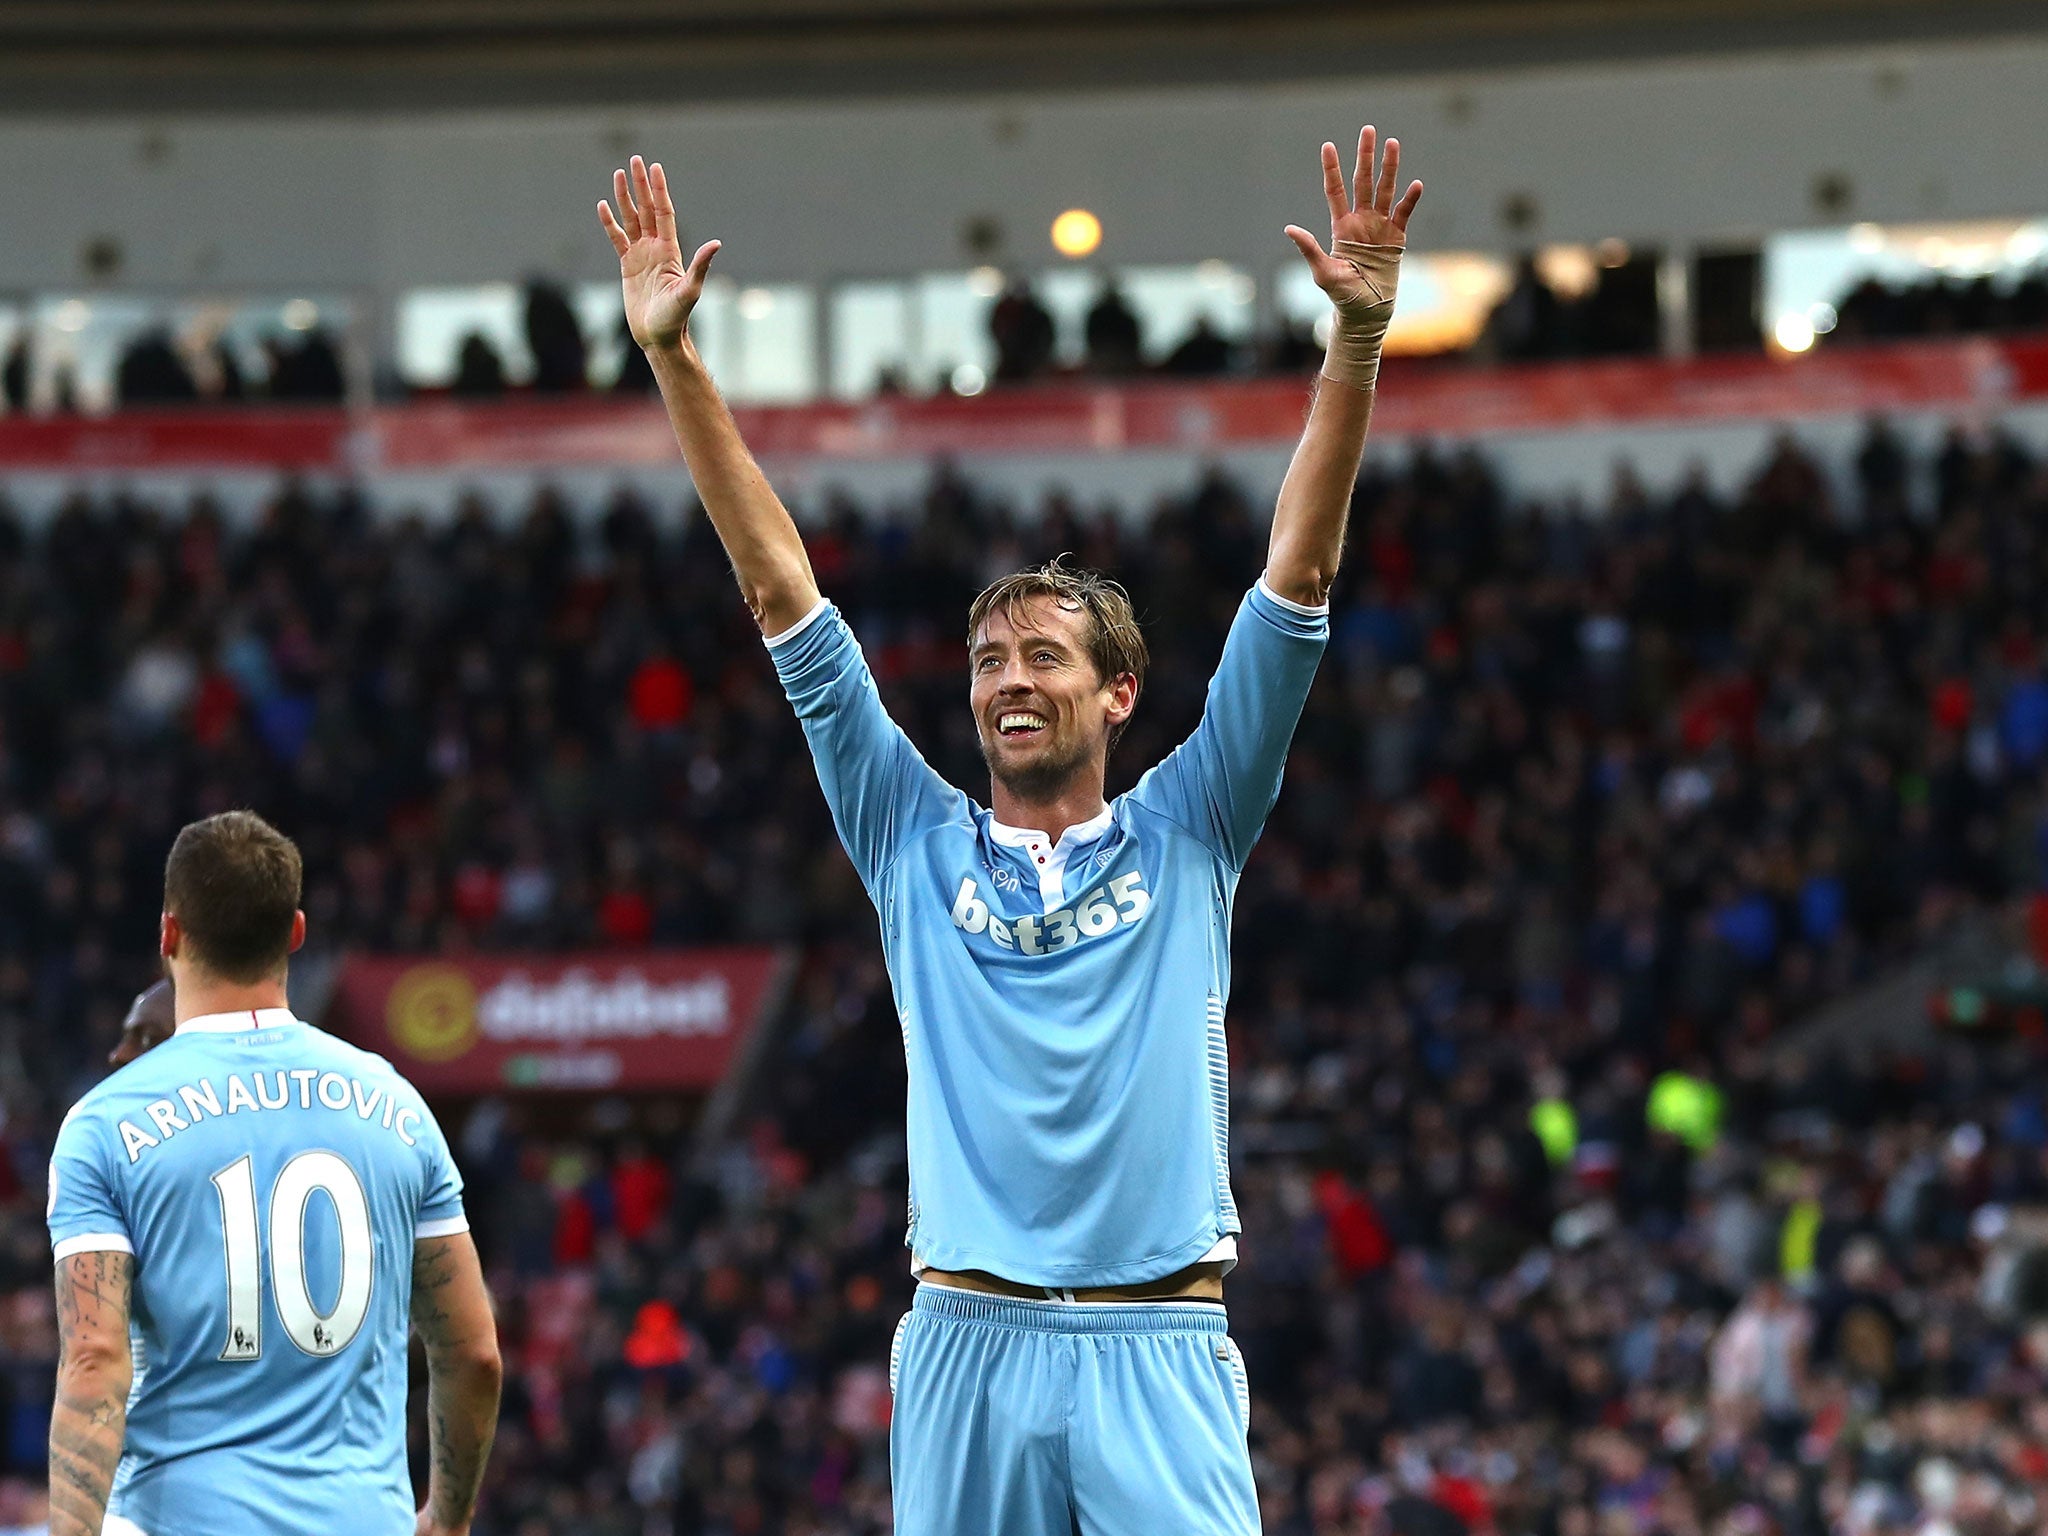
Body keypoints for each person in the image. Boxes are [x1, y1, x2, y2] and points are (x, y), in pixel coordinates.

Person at [599, 127, 1420, 1534]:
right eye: (986, 662)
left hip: (1155, 1350)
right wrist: (677, 361)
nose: (1007, 681)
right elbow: (782, 595)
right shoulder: (909, 838)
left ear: (1118, 692)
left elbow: (1301, 572)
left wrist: (1353, 345)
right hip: (967, 1342)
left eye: (1042, 656)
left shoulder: (1195, 823)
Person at [44, 811, 501, 1536]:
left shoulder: (105, 1124)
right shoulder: (399, 1108)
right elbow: (473, 1354)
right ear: (294, 931)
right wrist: (446, 1520)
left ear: (168, 934)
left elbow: (95, 1360)